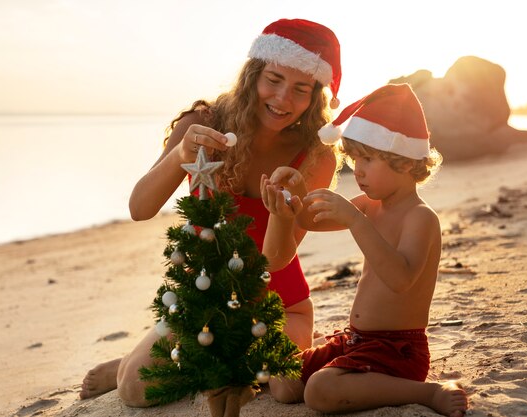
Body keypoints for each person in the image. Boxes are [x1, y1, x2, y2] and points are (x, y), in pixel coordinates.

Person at [79, 18, 343, 407]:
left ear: (314, 96)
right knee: (135, 390)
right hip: (203, 301)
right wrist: (179, 158)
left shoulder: (315, 156)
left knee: (281, 385)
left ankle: (196, 355)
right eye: (273, 79)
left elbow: (277, 259)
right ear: (253, 74)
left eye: (301, 89)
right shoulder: (201, 125)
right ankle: (139, 360)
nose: (284, 98)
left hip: (278, 303)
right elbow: (140, 208)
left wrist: (284, 213)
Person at [260, 84, 469, 417]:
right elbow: (310, 221)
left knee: (319, 391)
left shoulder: (420, 217)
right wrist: (296, 190)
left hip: (397, 350)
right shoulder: (372, 206)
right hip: (356, 340)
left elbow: (400, 278)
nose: (357, 170)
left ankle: (428, 392)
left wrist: (357, 221)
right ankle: (340, 362)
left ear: (404, 161)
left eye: (368, 159)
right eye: (355, 159)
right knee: (282, 382)